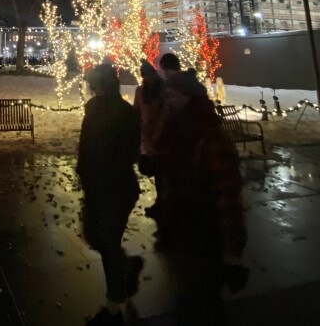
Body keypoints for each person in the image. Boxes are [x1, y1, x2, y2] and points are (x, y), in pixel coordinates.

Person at [156, 70, 247, 325]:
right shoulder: (174, 127)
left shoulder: (209, 135)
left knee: (203, 304)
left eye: (172, 95)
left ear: (188, 96)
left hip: (205, 233)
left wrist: (232, 253)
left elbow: (228, 196)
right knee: (188, 299)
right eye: (166, 95)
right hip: (183, 230)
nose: (168, 100)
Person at [77, 64, 143, 326]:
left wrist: (87, 174)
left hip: (109, 187)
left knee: (106, 241)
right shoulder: (124, 112)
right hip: (115, 185)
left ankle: (113, 306)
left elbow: (90, 149)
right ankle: (126, 269)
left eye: (91, 85)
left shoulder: (97, 113)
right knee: (99, 238)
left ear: (99, 86)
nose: (90, 89)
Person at [133, 60, 165, 219]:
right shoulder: (142, 91)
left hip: (161, 137)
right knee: (158, 172)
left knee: (162, 173)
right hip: (149, 138)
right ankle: (162, 202)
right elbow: (137, 112)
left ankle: (164, 203)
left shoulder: (162, 91)